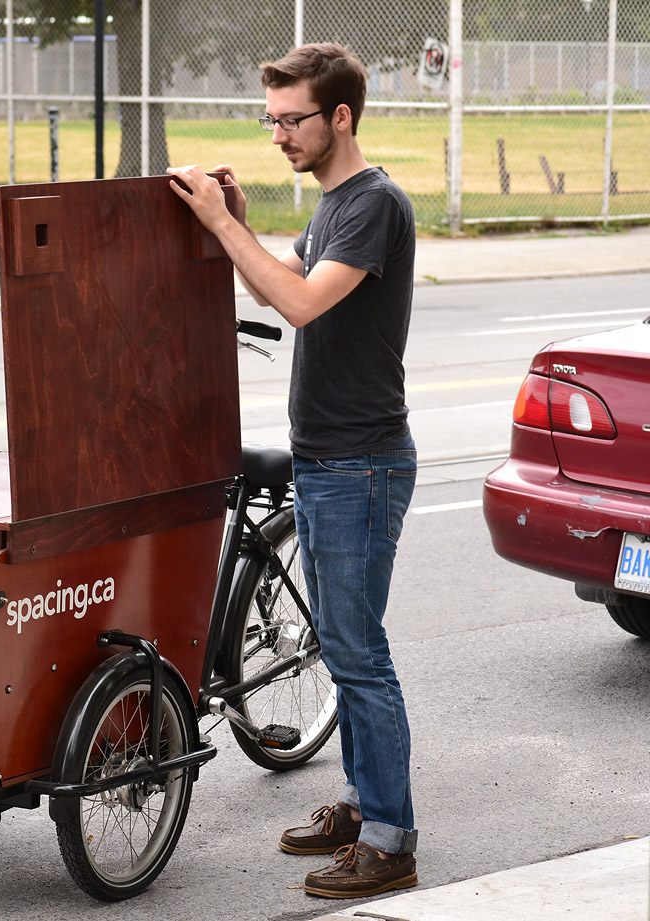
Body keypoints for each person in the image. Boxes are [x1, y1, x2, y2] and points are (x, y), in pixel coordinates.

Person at [166, 42, 419, 900]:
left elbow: (303, 303)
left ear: (339, 116)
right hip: (328, 458)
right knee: (347, 649)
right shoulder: (335, 205)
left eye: (292, 119)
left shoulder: (373, 203)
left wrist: (220, 223)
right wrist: (242, 216)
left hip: (363, 463)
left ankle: (390, 838)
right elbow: (295, 275)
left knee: (358, 654)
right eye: (269, 119)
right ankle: (357, 800)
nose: (278, 135)